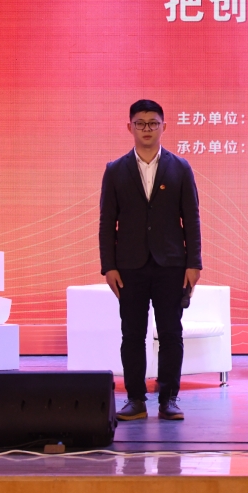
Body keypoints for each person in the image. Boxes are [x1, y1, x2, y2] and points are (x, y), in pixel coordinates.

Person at [99, 99, 202, 421]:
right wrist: (108, 266)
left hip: (171, 264)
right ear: (129, 127)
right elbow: (107, 221)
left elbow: (191, 218)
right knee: (132, 335)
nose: (147, 129)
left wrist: (194, 263)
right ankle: (135, 399)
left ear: (163, 127)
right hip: (129, 266)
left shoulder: (180, 167)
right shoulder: (115, 170)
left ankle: (169, 399)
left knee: (171, 333)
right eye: (140, 123)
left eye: (153, 123)